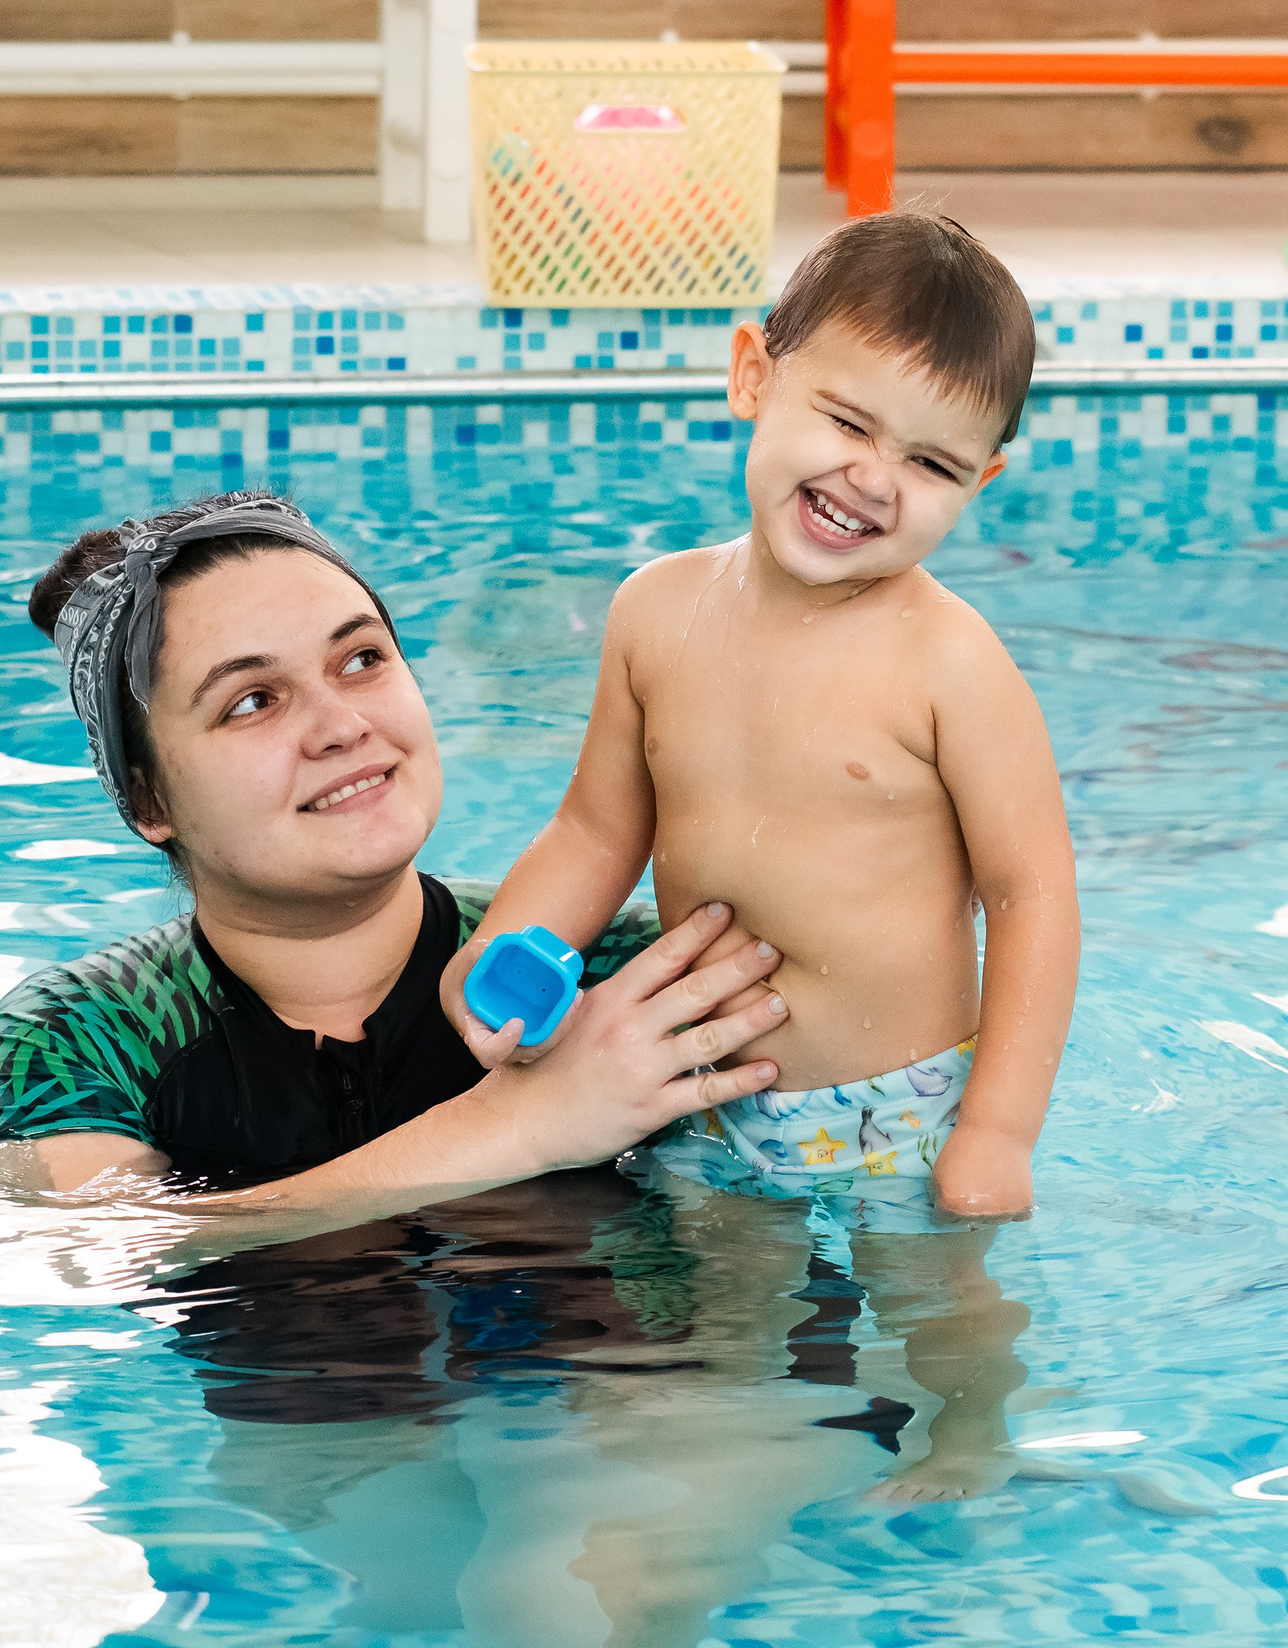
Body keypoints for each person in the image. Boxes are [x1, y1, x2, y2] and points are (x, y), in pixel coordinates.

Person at [438, 210, 1078, 1501]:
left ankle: (971, 1443)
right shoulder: (655, 611)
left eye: (934, 464)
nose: (875, 479)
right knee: (729, 1300)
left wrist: (997, 1127)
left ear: (981, 485)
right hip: (715, 1090)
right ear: (752, 376)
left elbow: (1034, 894)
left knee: (935, 1298)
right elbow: (598, 828)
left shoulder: (948, 662)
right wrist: (502, 960)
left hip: (900, 1107)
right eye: (847, 422)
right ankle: (734, 1461)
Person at [0, 491, 796, 1221]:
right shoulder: (75, 1038)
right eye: (252, 701)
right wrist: (521, 1126)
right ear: (149, 801)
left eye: (361, 659)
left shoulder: (617, 973)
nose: (343, 726)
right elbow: (98, 1247)